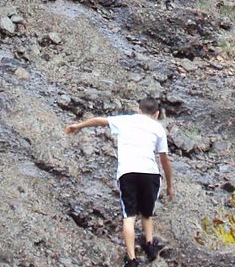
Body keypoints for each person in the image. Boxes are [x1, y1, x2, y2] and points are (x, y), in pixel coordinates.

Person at [65, 97, 174, 267]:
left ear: (138, 109)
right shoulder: (158, 128)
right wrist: (170, 186)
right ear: (157, 113)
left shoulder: (125, 120)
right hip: (150, 173)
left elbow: (100, 121)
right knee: (147, 212)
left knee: (129, 216)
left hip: (128, 171)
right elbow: (164, 159)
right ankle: (150, 244)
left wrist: (78, 126)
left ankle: (132, 259)